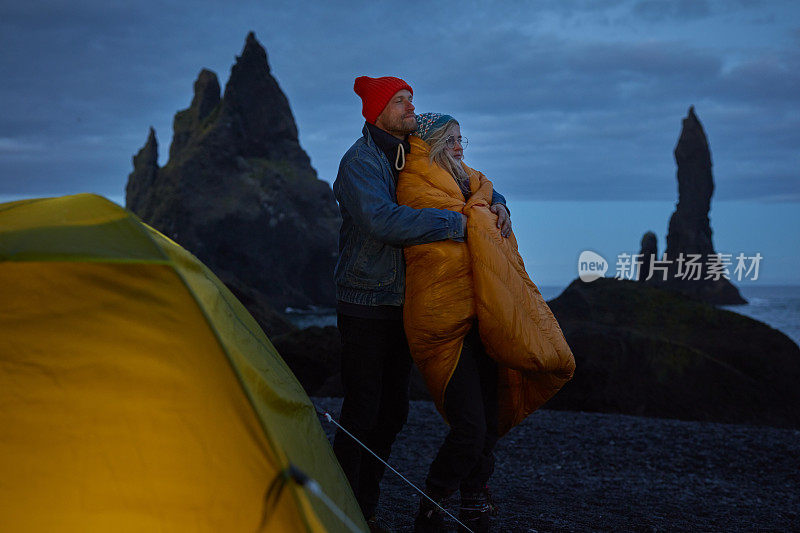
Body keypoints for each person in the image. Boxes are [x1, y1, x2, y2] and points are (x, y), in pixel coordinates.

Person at [331, 79, 510, 531]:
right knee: (363, 410)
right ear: (377, 112)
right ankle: (343, 508)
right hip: (365, 302)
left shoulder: (413, 147)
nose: (411, 106)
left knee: (393, 412)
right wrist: (460, 224)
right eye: (399, 101)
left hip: (408, 303)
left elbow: (464, 174)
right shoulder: (359, 163)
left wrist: (500, 203)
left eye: (411, 99)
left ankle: (365, 509)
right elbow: (382, 221)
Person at [397, 113, 576, 532]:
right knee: (469, 427)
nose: (460, 147)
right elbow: (455, 224)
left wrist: (498, 204)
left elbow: (485, 198)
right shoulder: (414, 182)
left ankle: (475, 499)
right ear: (431, 143)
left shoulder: (472, 181)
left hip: (484, 314)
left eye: (462, 139)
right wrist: (486, 211)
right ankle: (431, 503)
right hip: (444, 319)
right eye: (451, 140)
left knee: (491, 418)